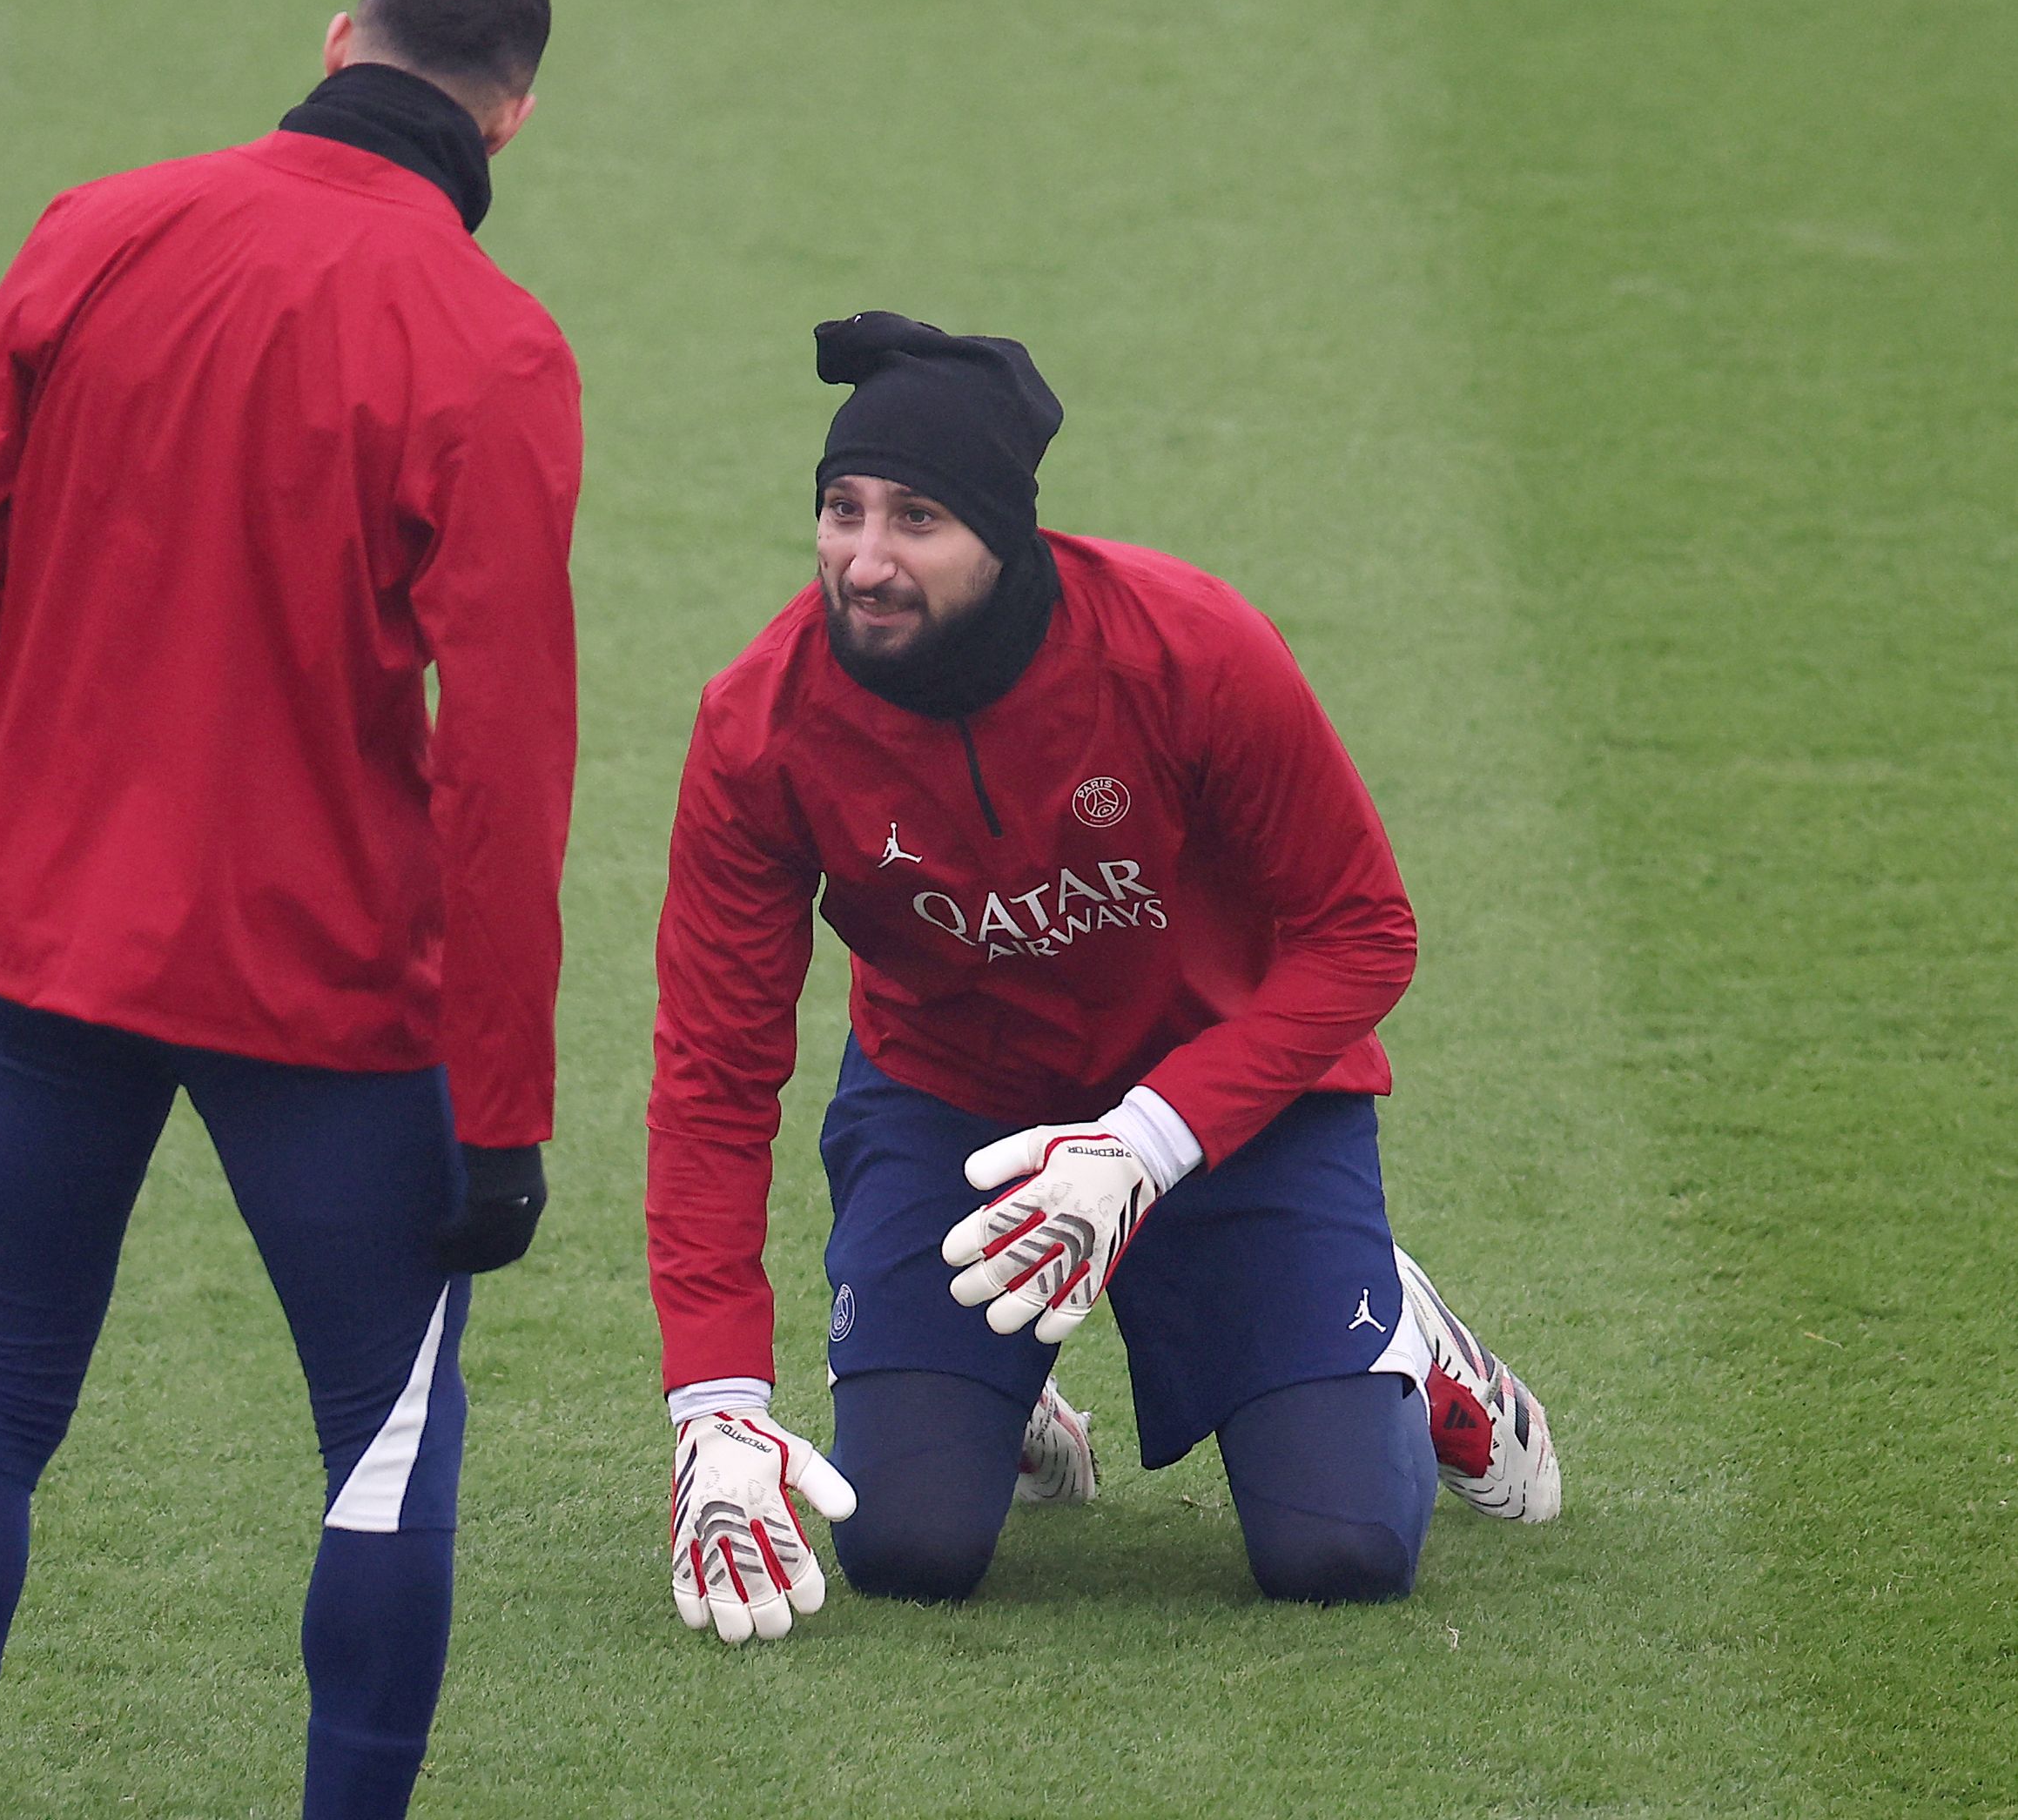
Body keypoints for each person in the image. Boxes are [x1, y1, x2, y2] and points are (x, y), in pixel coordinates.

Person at [0, 0, 575, 1812]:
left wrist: (17, 885)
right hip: (332, 1004)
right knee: (381, 1450)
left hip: (49, 961)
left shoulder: (89, 231)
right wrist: (503, 1109)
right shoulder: (491, 342)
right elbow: (504, 772)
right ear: (510, 110)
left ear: (337, 46)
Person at [647, 313, 1558, 1645]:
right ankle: (1006, 1398)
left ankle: (1415, 1342)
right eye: (841, 512)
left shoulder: (1188, 651)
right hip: (951, 1110)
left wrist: (1144, 1142)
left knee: (1341, 1552)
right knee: (907, 1545)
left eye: (916, 520)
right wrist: (712, 1401)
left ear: (1006, 536)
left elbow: (1365, 932)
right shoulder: (760, 729)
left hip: (1225, 1112)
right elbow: (714, 1075)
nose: (865, 560)